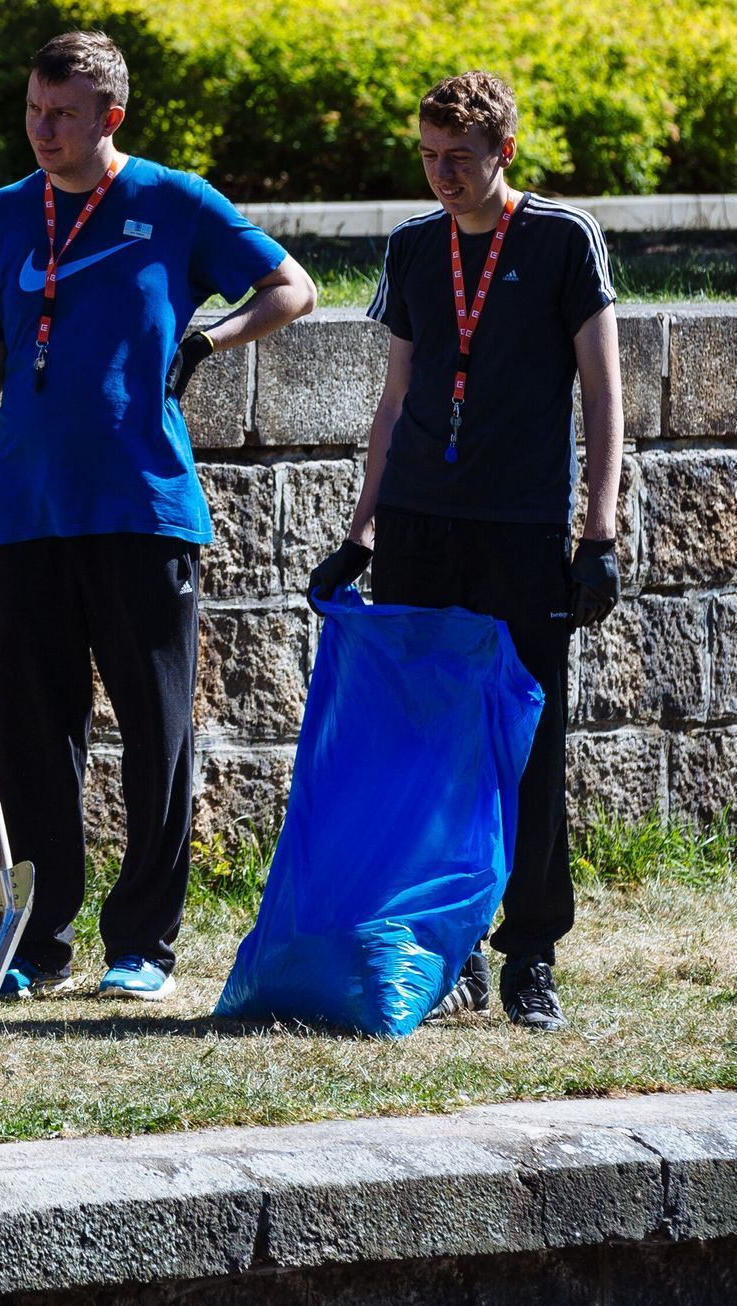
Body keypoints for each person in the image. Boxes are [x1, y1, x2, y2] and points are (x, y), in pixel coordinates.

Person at [0, 31, 315, 1001]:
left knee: (157, 733)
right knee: (35, 740)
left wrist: (210, 339)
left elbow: (294, 287)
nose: (43, 129)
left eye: (63, 114)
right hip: (24, 516)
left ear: (110, 116)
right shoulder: (1, 215)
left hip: (142, 508)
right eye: (34, 110)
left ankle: (143, 946)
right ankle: (40, 945)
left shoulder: (174, 200)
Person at [310, 71, 622, 1032]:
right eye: (427, 157)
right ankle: (446, 949)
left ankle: (530, 952)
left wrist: (598, 533)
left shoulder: (561, 238)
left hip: (519, 528)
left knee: (527, 740)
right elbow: (394, 400)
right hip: (418, 522)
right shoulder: (413, 246)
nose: (441, 175)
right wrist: (360, 533)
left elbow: (602, 394)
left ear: (503, 153)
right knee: (426, 742)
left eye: (459, 158)